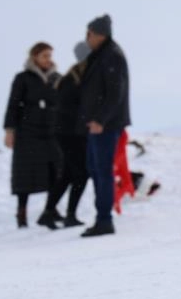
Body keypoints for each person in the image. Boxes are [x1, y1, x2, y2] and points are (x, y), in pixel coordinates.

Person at [78, 14, 131, 238]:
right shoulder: (101, 55)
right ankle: (102, 217)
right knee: (95, 168)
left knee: (102, 171)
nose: (86, 38)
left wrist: (101, 119)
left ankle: (104, 219)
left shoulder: (111, 56)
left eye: (88, 34)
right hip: (97, 125)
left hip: (106, 126)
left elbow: (115, 93)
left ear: (98, 34)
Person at [3, 42, 62, 228]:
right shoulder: (23, 78)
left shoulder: (57, 79)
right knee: (25, 174)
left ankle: (50, 210)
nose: (48, 59)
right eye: (45, 55)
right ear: (35, 57)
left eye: (50, 55)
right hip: (27, 131)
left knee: (56, 170)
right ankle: (21, 213)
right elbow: (13, 105)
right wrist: (9, 131)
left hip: (52, 130)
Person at [38, 41, 90, 229]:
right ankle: (70, 215)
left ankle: (48, 212)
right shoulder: (79, 76)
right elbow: (75, 107)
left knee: (68, 173)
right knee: (82, 173)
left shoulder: (74, 75)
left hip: (65, 131)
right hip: (71, 133)